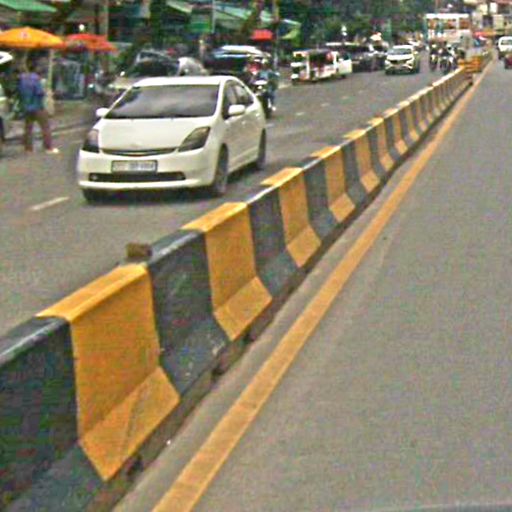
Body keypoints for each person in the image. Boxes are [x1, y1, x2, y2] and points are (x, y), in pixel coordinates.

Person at [18, 61, 59, 154]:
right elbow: (39, 92)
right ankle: (48, 147)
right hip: (37, 106)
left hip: (26, 107)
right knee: (45, 127)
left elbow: (20, 92)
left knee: (28, 128)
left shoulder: (22, 79)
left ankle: (28, 148)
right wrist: (45, 93)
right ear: (36, 69)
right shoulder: (36, 79)